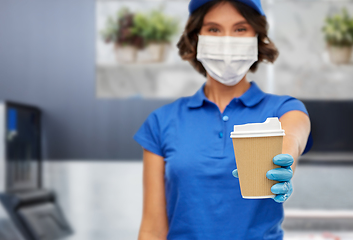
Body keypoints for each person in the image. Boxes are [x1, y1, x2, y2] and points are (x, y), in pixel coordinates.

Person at [134, 0, 312, 239]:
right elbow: (152, 230)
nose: (227, 40)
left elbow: (293, 133)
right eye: (214, 29)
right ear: (196, 37)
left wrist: (285, 158)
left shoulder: (283, 109)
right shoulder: (162, 121)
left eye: (240, 28)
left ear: (257, 37)